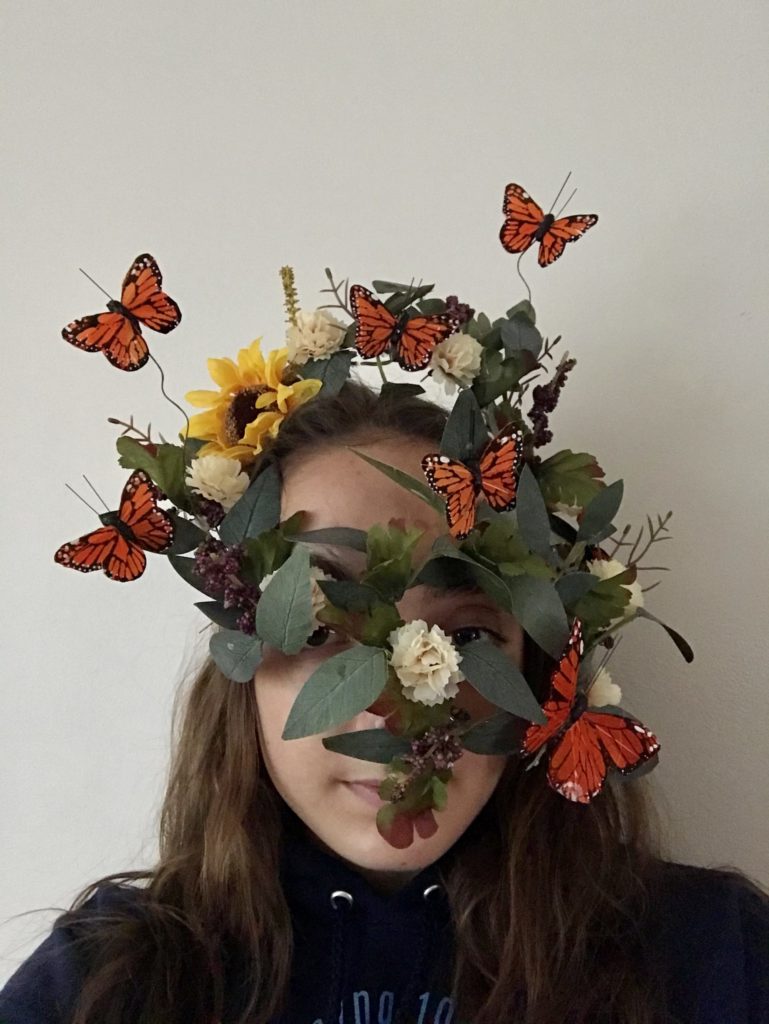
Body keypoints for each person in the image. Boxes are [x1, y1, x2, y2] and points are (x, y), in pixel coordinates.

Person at [1, 380, 768, 1024]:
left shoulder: (710, 957)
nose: (394, 712)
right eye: (319, 627)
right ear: (240, 657)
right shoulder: (106, 981)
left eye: (464, 638)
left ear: (536, 672)